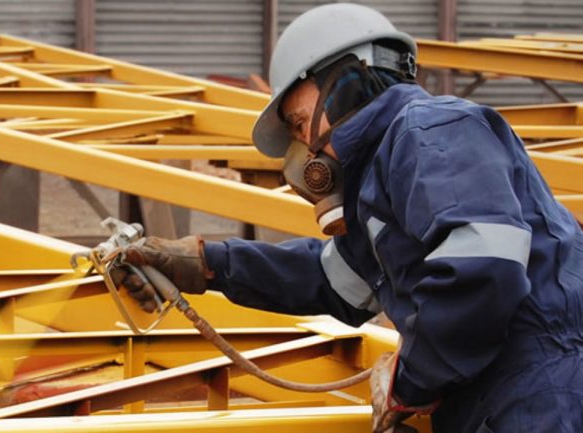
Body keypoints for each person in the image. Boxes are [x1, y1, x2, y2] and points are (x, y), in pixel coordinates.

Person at [111, 3, 583, 433]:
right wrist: (206, 263)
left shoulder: (430, 131)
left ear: (345, 83)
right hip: (499, 396)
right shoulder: (381, 181)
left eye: (299, 125)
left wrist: (409, 383)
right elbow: (330, 280)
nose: (308, 151)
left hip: (542, 389)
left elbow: (482, 271)